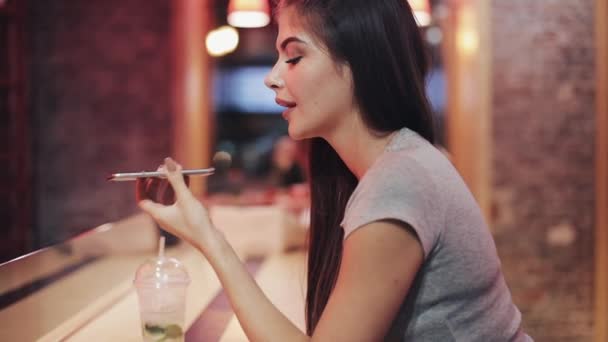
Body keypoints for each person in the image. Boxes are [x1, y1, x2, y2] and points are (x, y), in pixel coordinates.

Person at [137, 0, 532, 340]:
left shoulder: (399, 182)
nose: (271, 77)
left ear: (360, 64)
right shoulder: (397, 163)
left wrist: (209, 238)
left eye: (293, 57)